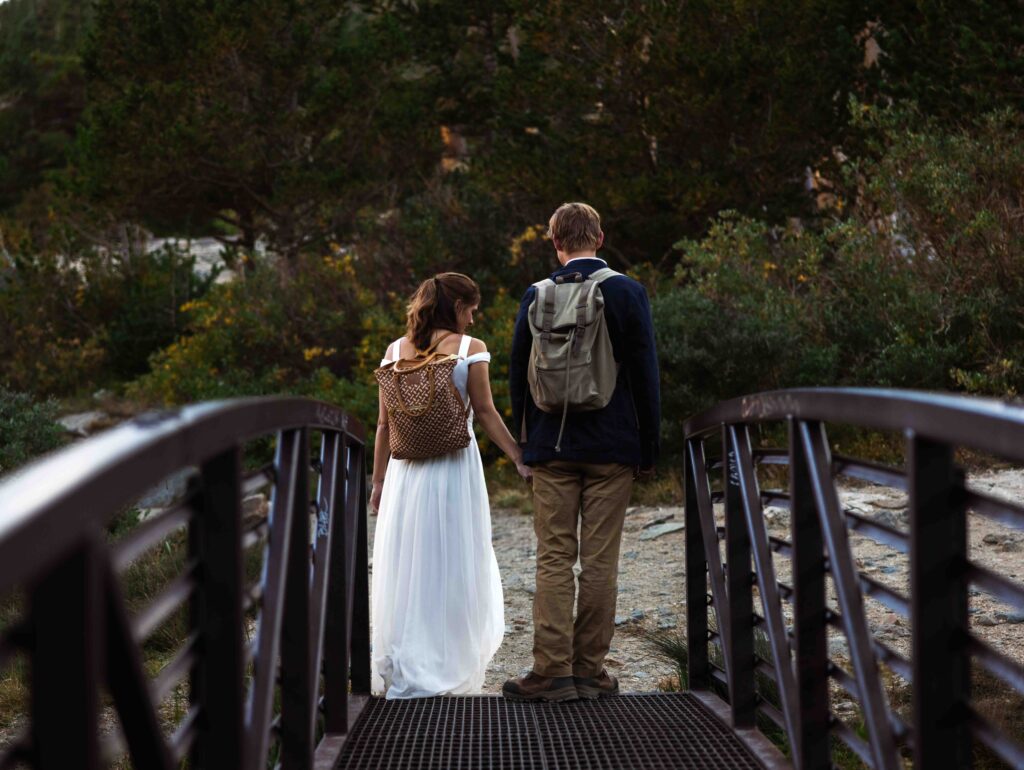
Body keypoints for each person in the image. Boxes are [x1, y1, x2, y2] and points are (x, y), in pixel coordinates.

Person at [503, 202, 661, 702]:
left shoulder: (537, 295)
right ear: (600, 236)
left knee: (553, 557)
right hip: (612, 444)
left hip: (551, 444)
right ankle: (590, 671)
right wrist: (647, 446)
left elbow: (516, 375)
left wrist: (526, 443)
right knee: (598, 561)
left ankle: (551, 672)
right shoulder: (626, 291)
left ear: (556, 243)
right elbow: (645, 375)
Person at [370, 272, 532, 699]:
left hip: (406, 475)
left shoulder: (393, 351)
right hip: (453, 467)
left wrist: (378, 482)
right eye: (471, 310)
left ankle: (406, 658)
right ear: (457, 307)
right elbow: (486, 412)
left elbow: (383, 426)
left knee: (410, 565)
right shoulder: (468, 349)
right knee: (455, 560)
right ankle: (447, 661)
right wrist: (518, 456)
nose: (473, 321)